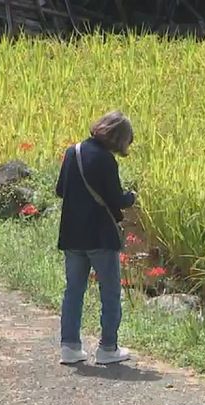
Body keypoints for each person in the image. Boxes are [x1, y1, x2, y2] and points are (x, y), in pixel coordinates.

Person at [54, 110, 137, 366]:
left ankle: (70, 347)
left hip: (72, 234)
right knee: (110, 292)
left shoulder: (73, 151)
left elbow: (60, 190)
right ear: (118, 138)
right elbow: (116, 200)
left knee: (74, 291)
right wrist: (131, 196)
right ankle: (107, 348)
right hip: (100, 236)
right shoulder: (106, 160)